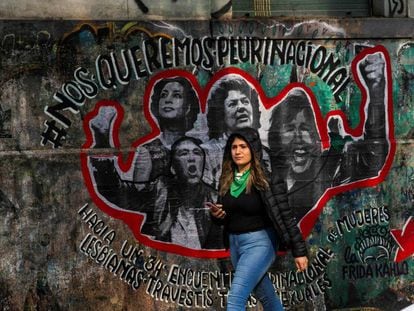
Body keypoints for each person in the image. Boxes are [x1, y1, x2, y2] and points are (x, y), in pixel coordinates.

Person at [268, 51, 389, 225]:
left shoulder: (331, 168)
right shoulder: (266, 178)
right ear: (276, 138)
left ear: (317, 136)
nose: (298, 138)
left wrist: (376, 94)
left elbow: (373, 158)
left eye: (305, 128)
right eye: (289, 129)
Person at [207, 127, 308, 310]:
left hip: (260, 243)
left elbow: (286, 216)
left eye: (243, 147)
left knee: (235, 300)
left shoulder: (268, 181)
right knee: (267, 298)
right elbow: (225, 217)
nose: (238, 151)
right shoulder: (226, 180)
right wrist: (217, 216)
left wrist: (299, 251)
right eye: (234, 147)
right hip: (236, 244)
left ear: (253, 149)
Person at [203, 75, 270, 189]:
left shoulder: (266, 153)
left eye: (245, 101)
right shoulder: (209, 154)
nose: (241, 107)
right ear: (221, 113)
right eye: (233, 104)